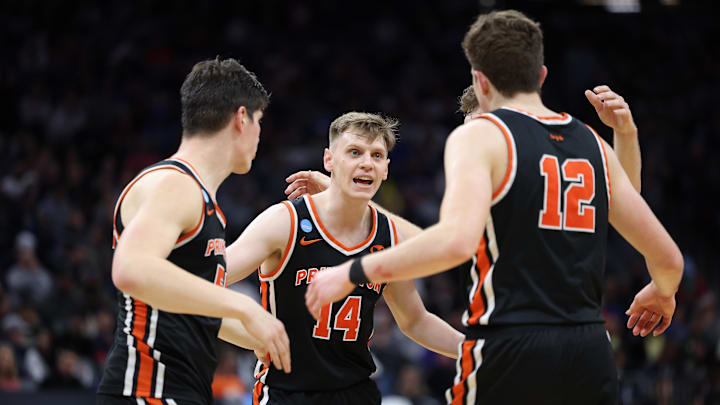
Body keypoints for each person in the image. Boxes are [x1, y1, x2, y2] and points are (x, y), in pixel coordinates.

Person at [306, 10, 683, 405]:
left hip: (511, 342)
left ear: (480, 81)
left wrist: (354, 270)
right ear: (541, 76)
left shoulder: (481, 137)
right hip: (590, 347)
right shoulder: (591, 143)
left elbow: (454, 243)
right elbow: (660, 248)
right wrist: (662, 289)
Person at [225, 112, 464, 405]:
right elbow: (200, 281)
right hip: (287, 393)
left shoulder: (387, 236)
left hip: (356, 392)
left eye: (377, 155)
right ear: (329, 160)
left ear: (386, 168)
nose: (366, 162)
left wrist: (475, 349)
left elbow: (415, 321)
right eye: (354, 152)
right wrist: (248, 331)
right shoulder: (286, 221)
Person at [97, 58, 291, 405]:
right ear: (241, 118)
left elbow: (184, 309)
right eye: (259, 121)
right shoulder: (176, 184)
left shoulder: (198, 197)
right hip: (148, 390)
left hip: (177, 392)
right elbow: (131, 269)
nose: (260, 134)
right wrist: (244, 307)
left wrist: (263, 337)